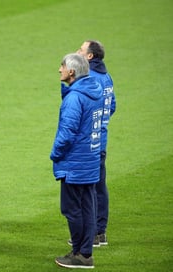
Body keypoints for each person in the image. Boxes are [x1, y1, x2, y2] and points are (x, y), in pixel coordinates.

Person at [50, 53, 104, 269]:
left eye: (62, 66)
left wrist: (55, 153)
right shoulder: (94, 92)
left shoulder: (74, 97)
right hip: (90, 158)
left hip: (75, 162)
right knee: (88, 207)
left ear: (71, 72)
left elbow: (67, 133)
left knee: (72, 209)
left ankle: (81, 254)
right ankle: (85, 253)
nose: (59, 70)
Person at [77, 40, 116, 246]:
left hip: (88, 144)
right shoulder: (106, 77)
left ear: (90, 56)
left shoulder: (88, 78)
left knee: (87, 190)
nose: (77, 52)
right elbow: (112, 106)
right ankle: (100, 232)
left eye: (81, 50)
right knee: (99, 188)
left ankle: (91, 235)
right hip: (101, 141)